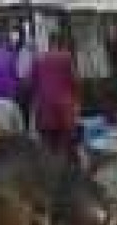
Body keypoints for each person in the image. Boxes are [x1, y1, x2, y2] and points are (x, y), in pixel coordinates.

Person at [29, 30, 80, 158]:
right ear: (60, 44)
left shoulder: (39, 59)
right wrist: (76, 101)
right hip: (63, 111)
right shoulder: (66, 58)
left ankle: (50, 170)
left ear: (49, 43)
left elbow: (30, 83)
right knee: (65, 146)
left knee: (47, 146)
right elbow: (75, 81)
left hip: (44, 110)